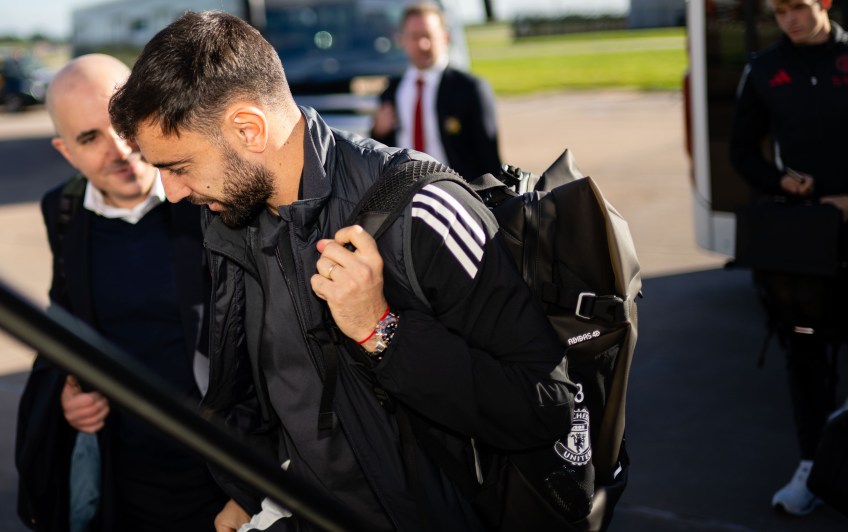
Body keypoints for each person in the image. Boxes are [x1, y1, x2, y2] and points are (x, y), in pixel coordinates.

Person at [109, 11, 574, 531]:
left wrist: (382, 332)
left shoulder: (421, 210)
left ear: (248, 128)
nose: (170, 192)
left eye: (177, 167)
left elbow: (544, 404)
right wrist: (248, 490)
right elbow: (260, 389)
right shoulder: (231, 216)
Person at [14, 54, 228, 531]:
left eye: (120, 123)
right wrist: (66, 395)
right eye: (89, 138)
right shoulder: (64, 212)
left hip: (224, 470)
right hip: (126, 472)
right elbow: (63, 321)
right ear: (65, 152)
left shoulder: (205, 195)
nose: (118, 149)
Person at [729, 0, 848, 517]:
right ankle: (812, 467)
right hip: (802, 239)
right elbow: (740, 151)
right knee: (804, 354)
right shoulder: (763, 68)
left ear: (822, 2)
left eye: (798, 6)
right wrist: (781, 183)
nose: (790, 19)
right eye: (779, 11)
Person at [369, 2, 502, 182]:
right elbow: (379, 152)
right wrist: (378, 131)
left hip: (457, 196)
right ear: (402, 40)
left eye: (428, 36)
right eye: (415, 36)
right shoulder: (392, 91)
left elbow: (489, 161)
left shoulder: (470, 88)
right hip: (404, 197)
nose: (423, 44)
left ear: (445, 37)